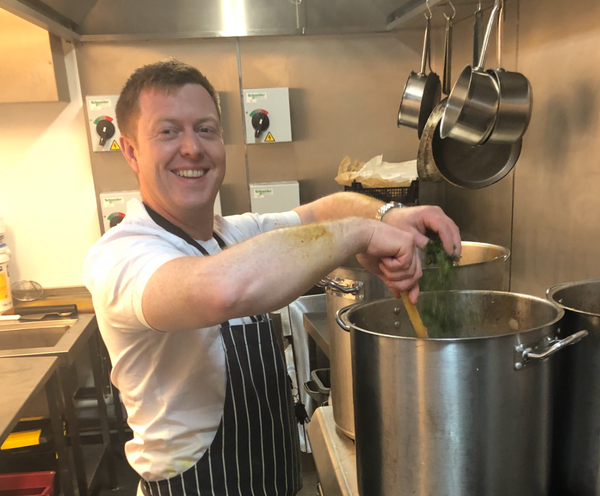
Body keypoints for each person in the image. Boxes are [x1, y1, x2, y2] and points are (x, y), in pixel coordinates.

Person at [84, 59, 461, 496]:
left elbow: (322, 211)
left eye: (205, 129)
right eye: (168, 131)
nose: (192, 148)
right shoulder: (122, 254)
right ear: (130, 150)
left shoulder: (231, 236)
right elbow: (222, 290)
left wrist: (390, 214)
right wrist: (361, 234)